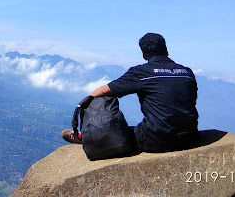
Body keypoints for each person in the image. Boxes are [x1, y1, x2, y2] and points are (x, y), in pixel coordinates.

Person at [61, 33, 199, 153]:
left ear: (144, 55)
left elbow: (105, 91)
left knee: (122, 133)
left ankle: (84, 137)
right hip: (190, 137)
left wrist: (85, 102)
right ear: (166, 50)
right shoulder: (187, 72)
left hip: (158, 141)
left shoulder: (141, 73)